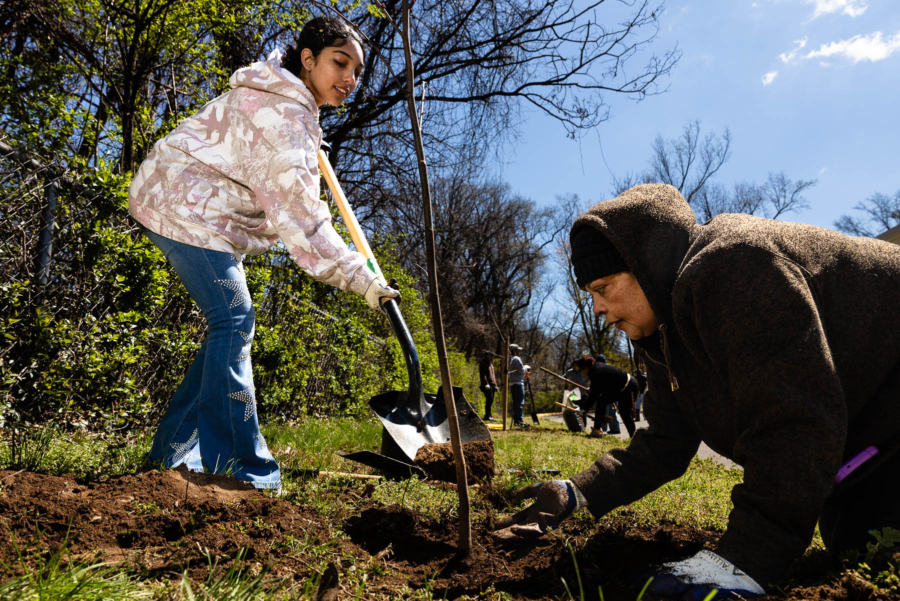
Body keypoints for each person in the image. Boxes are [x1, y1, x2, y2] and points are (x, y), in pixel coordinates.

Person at [494, 183, 900, 598]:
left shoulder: (735, 268)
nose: (597, 308)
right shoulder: (666, 334)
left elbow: (793, 423)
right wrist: (577, 491)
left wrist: (744, 558)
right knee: (863, 548)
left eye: (603, 287)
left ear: (645, 264)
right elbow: (665, 441)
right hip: (865, 448)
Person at [128, 17, 401, 489]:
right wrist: (365, 280)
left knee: (226, 328)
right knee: (234, 319)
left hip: (186, 204)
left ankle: (170, 455)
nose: (350, 79)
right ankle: (243, 471)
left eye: (357, 70)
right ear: (308, 60)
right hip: (181, 205)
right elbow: (304, 226)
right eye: (340, 63)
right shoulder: (284, 119)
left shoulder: (288, 107)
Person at [573, 356, 638, 438]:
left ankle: (634, 437)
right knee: (601, 401)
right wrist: (592, 389)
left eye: (581, 370)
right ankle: (597, 429)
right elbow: (599, 387)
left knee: (625, 413)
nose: (581, 373)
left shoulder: (597, 372)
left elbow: (593, 396)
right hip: (617, 389)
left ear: (585, 368)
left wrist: (584, 409)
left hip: (629, 386)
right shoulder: (594, 368)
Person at [507, 344, 528, 426]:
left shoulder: (508, 359)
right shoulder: (516, 359)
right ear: (514, 350)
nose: (519, 351)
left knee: (516, 403)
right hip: (518, 383)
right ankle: (519, 421)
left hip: (512, 384)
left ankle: (517, 420)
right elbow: (521, 371)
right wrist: (526, 368)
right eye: (518, 350)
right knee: (519, 403)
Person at [479, 350, 498, 421]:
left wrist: (495, 384)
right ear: (487, 356)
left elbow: (493, 376)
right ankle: (487, 416)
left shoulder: (491, 364)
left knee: (491, 400)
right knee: (489, 399)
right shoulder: (483, 364)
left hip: (492, 384)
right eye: (491, 356)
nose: (492, 357)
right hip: (487, 385)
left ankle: (489, 415)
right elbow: (483, 375)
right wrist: (486, 383)